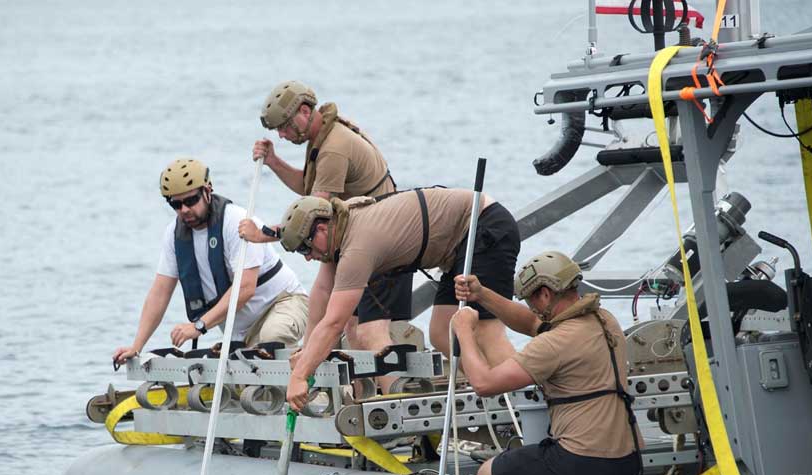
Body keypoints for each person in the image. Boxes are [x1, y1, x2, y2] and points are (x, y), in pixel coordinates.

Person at [238, 188, 521, 410]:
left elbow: (335, 322)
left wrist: (300, 377)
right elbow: (321, 296)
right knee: (440, 333)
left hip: (483, 227)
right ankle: (494, 392)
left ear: (322, 230)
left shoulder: (357, 248)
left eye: (306, 250)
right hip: (457, 244)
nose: (308, 258)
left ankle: (525, 400)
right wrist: (306, 352)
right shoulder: (339, 220)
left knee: (486, 332)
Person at [253, 80, 413, 391]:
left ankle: (391, 403)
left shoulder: (334, 147)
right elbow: (309, 188)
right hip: (360, 236)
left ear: (303, 111)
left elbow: (313, 215)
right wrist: (273, 162)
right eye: (277, 131)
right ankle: (359, 401)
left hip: (383, 245)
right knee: (335, 310)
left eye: (284, 127)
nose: (282, 136)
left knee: (362, 332)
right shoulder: (322, 136)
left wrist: (266, 235)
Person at [450, 250, 643, 475]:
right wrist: (482, 295)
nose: (531, 307)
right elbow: (532, 323)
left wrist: (464, 331)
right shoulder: (604, 319)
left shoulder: (554, 344)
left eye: (531, 299)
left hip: (583, 459)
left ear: (545, 294)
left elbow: (485, 384)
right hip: (628, 461)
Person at [112, 158, 308, 366]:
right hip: (240, 329)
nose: (184, 210)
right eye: (176, 204)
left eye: (191, 201)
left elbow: (245, 288)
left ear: (207, 191)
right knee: (243, 367)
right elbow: (160, 292)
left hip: (283, 303)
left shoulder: (237, 221)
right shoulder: (173, 235)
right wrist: (137, 346)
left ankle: (311, 388)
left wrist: (199, 326)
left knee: (271, 337)